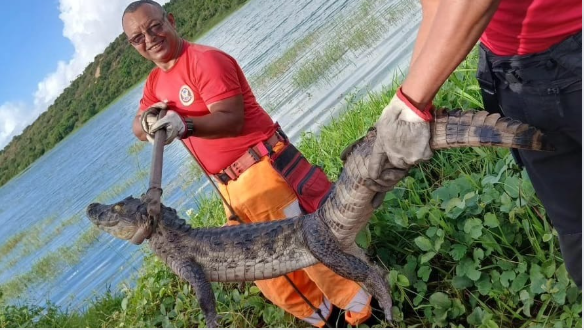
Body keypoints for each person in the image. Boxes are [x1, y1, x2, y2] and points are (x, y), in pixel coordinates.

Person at [121, 0, 410, 326]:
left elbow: (231, 119)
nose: (149, 38)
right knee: (273, 277)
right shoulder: (154, 84)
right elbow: (136, 125)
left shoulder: (204, 61)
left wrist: (185, 125)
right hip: (231, 190)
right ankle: (329, 319)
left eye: (154, 26)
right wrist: (146, 122)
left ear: (170, 20)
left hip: (263, 171)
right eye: (138, 37)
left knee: (317, 253)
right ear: (133, 46)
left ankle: (371, 315)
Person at [369, 0, 581, 287]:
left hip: (574, 45)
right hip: (514, 77)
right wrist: (409, 102)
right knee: (577, 237)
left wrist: (411, 104)